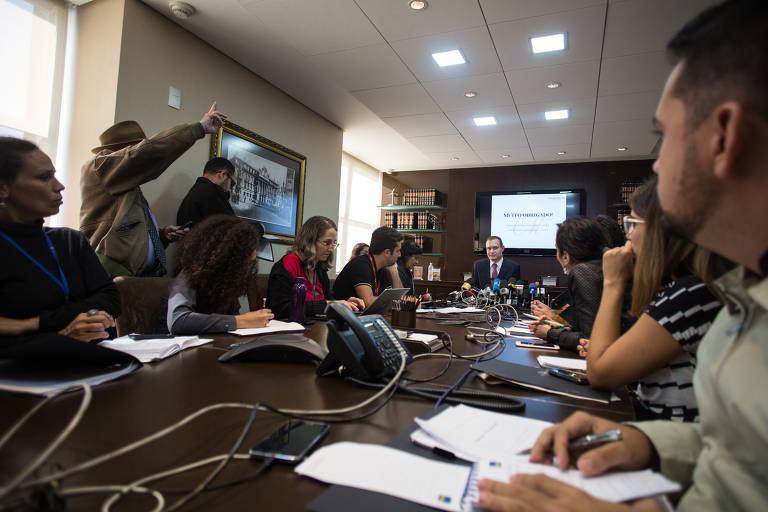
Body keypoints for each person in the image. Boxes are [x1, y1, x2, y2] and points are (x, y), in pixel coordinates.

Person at [477, 2, 768, 510]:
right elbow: (740, 454)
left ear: (724, 136)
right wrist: (647, 442)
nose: (656, 164)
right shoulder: (742, 297)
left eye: (664, 135)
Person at [586, 177, 727, 421]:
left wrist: (613, 282)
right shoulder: (683, 289)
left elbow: (600, 374)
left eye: (633, 224)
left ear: (661, 230)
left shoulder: (690, 295)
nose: (628, 236)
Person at [80, 102, 227, 278]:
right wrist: (199, 128)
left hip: (135, 277)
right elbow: (149, 153)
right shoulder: (99, 166)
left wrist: (161, 235)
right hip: (114, 276)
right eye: (137, 148)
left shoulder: (125, 183)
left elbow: (125, 229)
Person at [0, 138, 119, 345]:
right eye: (44, 177)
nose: (59, 186)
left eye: (54, 175)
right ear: (3, 189)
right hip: (26, 364)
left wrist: (32, 324)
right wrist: (61, 335)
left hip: (95, 356)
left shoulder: (71, 240)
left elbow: (111, 300)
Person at [167, 215, 273, 334]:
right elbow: (178, 321)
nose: (248, 268)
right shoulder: (190, 274)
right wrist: (240, 321)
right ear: (229, 257)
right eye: (246, 262)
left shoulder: (226, 280)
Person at [528, 216, 608, 352]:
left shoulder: (582, 272)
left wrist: (549, 333)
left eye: (556, 249)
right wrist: (559, 324)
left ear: (565, 256)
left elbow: (590, 341)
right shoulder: (604, 268)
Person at [267, 216, 364, 319]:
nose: (331, 249)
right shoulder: (290, 262)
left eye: (334, 243)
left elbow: (327, 301)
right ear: (310, 241)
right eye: (327, 243)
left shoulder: (320, 270)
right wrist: (328, 304)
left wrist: (343, 304)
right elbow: (280, 308)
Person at [333, 226, 403, 308]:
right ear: (387, 252)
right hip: (342, 315)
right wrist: (393, 300)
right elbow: (368, 303)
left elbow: (399, 301)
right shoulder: (360, 264)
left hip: (362, 314)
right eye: (398, 251)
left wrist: (394, 273)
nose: (400, 255)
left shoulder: (384, 270)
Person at [176, 157, 236, 227]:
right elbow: (233, 228)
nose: (230, 190)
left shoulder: (194, 191)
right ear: (222, 174)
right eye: (232, 183)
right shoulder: (213, 191)